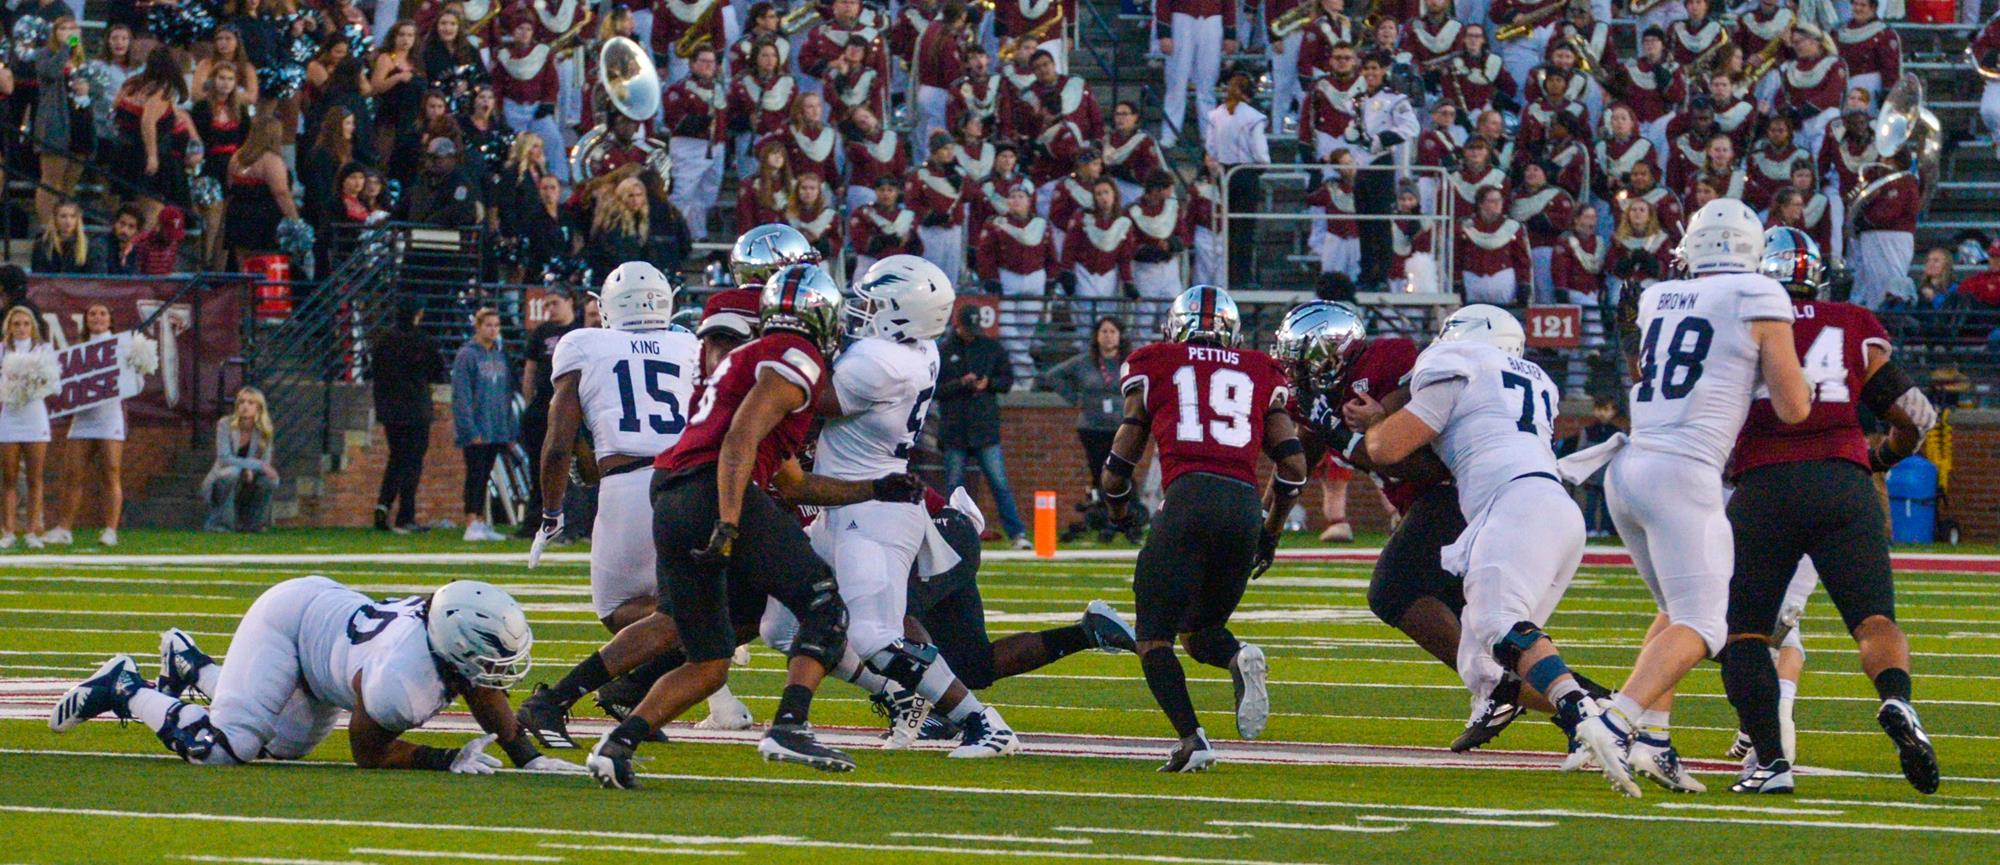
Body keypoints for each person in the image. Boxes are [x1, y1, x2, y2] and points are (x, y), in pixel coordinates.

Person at [583, 265, 912, 786]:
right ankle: (790, 725)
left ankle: (617, 745)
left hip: (671, 492)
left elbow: (794, 482)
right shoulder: (794, 355)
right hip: (713, 490)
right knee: (823, 603)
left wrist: (874, 488)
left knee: (708, 662)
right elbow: (740, 439)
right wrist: (729, 523)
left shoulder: (750, 356)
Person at [1580, 199, 1811, 798]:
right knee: (1706, 624)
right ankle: (1615, 721)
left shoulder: (1659, 295)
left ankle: (1654, 740)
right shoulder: (1760, 294)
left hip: (1629, 468)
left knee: (1674, 612)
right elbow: (1793, 407)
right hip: (1684, 474)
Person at [1718, 227, 1940, 795]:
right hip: (1843, 483)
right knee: (1874, 621)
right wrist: (1879, 458)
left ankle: (1771, 763)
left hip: (1765, 485)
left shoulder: (1739, 320)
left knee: (1744, 634)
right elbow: (1918, 415)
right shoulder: (1853, 321)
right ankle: (1896, 699)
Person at [49, 577, 581, 776]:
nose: (498, 673)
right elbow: (369, 753)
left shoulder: (442, 625)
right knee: (227, 749)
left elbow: (482, 688)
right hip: (290, 622)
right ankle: (125, 687)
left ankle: (193, 666)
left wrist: (528, 758)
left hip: (328, 644)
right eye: (490, 658)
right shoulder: (400, 683)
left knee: (282, 746)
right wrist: (444, 759)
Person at [1102, 286, 1305, 771]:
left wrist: (1119, 509)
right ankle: (1239, 657)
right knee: (1199, 630)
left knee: (1153, 636)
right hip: (1243, 507)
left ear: (1175, 327)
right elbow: (1293, 468)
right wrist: (1270, 532)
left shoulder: (1155, 361)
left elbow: (1119, 463)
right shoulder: (1260, 368)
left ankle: (1192, 739)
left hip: (1188, 497)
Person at [938, 306, 1028, 548]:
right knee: (954, 485)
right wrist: (960, 383)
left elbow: (1006, 381)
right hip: (955, 427)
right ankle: (952, 535)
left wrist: (989, 384)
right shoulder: (944, 350)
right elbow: (935, 389)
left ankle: (1017, 533)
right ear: (958, 326)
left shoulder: (991, 348)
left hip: (984, 427)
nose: (972, 333)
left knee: (999, 483)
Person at [48, 303, 129, 547]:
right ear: (85, 320)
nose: (97, 317)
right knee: (72, 474)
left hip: (109, 418)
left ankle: (110, 530)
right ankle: (64, 529)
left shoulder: (122, 347)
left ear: (110, 319)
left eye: (103, 313)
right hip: (83, 419)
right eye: (92, 314)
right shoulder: (76, 352)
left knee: (111, 473)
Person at [369, 300, 443, 533]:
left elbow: (375, 371)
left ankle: (383, 504)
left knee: (396, 458)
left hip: (390, 409)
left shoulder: (383, 340)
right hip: (416, 408)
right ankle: (406, 515)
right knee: (412, 462)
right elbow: (438, 371)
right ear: (418, 314)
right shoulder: (423, 341)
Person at [514, 288, 582, 540]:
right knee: (538, 466)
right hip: (543, 405)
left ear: (569, 301)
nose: (550, 309)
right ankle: (535, 520)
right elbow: (530, 369)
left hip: (571, 407)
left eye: (555, 303)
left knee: (572, 468)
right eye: (547, 305)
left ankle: (571, 523)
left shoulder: (580, 332)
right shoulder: (541, 332)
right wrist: (527, 399)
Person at [1042, 316, 1127, 506]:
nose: (1108, 336)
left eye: (1112, 332)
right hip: (1092, 426)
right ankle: (1101, 510)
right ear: (1097, 336)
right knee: (1098, 470)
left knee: (1120, 470)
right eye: (1104, 332)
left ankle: (1123, 510)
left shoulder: (1127, 362)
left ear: (1120, 336)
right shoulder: (1084, 362)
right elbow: (1053, 376)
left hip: (1120, 426)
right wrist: (1074, 398)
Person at [451, 308, 516, 543]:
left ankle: (480, 520)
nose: (493, 329)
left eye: (496, 325)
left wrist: (509, 427)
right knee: (475, 474)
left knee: (485, 475)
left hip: (496, 427)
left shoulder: (500, 356)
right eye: (488, 325)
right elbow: (461, 395)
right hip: (477, 427)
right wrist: (469, 428)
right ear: (478, 327)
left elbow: (506, 393)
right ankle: (471, 521)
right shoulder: (467, 355)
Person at [1208, 71, 1276, 289]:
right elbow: (1260, 153)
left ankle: (1228, 274)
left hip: (1224, 174)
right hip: (1246, 173)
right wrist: (1263, 166)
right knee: (1245, 227)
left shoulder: (1216, 115)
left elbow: (1210, 148)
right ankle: (1242, 276)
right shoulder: (1253, 117)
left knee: (1229, 226)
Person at [0, 307, 57, 549]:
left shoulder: (44, 351)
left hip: (35, 418)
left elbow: (55, 385)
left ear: (32, 326)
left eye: (25, 323)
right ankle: (8, 532)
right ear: (9, 328)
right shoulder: (2, 350)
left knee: (35, 478)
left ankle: (32, 531)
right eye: (16, 324)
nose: (21, 328)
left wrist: (37, 383)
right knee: (9, 477)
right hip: (10, 418)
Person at [224, 116, 302, 269]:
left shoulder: (236, 157)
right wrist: (295, 220)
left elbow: (230, 184)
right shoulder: (271, 160)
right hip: (263, 220)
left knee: (244, 266)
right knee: (265, 267)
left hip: (237, 215)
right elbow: (281, 193)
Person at [1157, 0, 1235, 148]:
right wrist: (1164, 32)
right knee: (1176, 81)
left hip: (1212, 18)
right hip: (1181, 17)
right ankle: (1169, 133)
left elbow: (1229, 3)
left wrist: (1230, 33)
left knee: (1208, 84)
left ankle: (1208, 134)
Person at [202, 387, 280, 534]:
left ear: (259, 408)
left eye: (251, 403)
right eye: (242, 402)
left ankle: (253, 524)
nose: (245, 406)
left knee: (271, 480)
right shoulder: (225, 424)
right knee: (232, 472)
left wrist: (252, 470)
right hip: (223, 477)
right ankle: (220, 524)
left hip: (249, 478)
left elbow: (266, 463)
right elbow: (224, 458)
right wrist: (252, 466)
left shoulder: (265, 430)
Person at [31, 201, 102, 274]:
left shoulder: (91, 246)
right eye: (63, 216)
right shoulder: (42, 245)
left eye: (73, 216)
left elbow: (96, 275)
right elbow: (38, 274)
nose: (68, 221)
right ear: (55, 219)